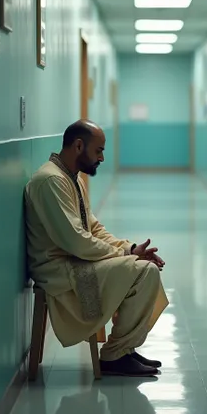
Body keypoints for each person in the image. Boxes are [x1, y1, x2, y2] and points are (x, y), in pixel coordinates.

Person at [24, 120, 169, 376]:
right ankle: (115, 356)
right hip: (59, 270)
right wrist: (126, 255)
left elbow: (93, 228)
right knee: (145, 272)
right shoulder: (51, 181)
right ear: (79, 146)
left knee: (143, 269)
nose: (102, 157)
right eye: (98, 150)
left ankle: (123, 350)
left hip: (75, 260)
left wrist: (130, 248)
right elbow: (76, 241)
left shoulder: (70, 178)